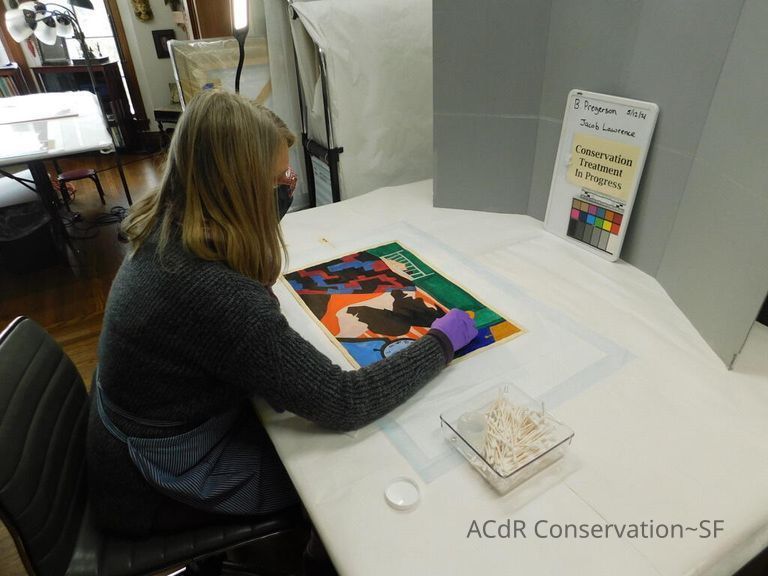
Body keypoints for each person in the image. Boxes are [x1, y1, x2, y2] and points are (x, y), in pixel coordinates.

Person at [86, 90, 476, 566]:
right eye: (280, 178)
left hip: (126, 437)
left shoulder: (167, 226)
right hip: (147, 484)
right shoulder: (212, 290)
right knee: (347, 476)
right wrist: (441, 341)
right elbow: (344, 401)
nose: (288, 186)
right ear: (241, 189)